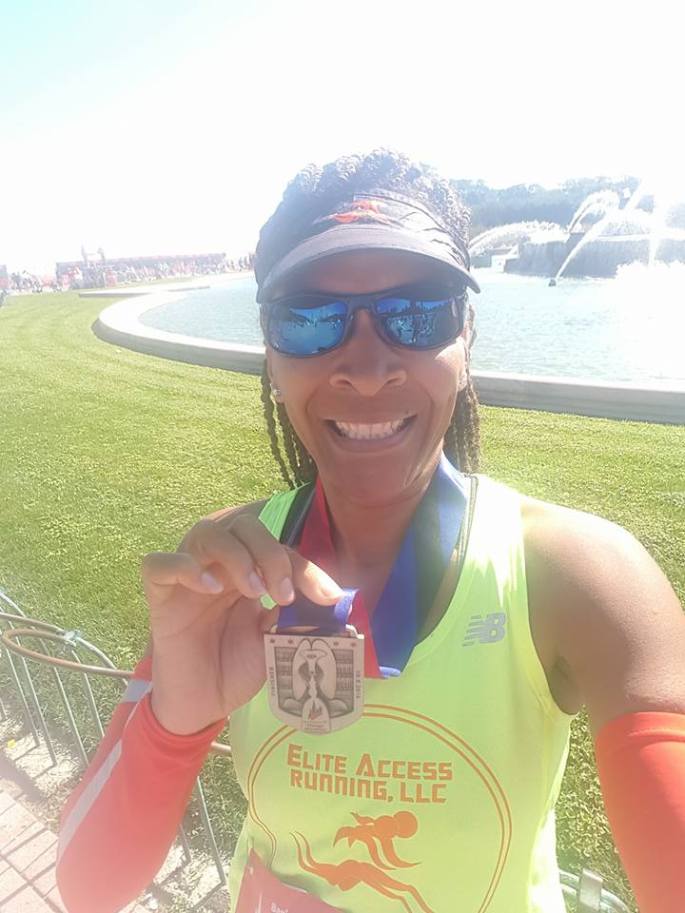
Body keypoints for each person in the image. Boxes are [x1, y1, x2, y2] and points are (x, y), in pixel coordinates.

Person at [55, 150, 685, 913]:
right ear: (271, 355)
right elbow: (86, 889)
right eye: (309, 318)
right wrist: (174, 720)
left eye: (416, 312)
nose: (366, 365)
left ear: (465, 337)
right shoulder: (229, 570)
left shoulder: (577, 578)